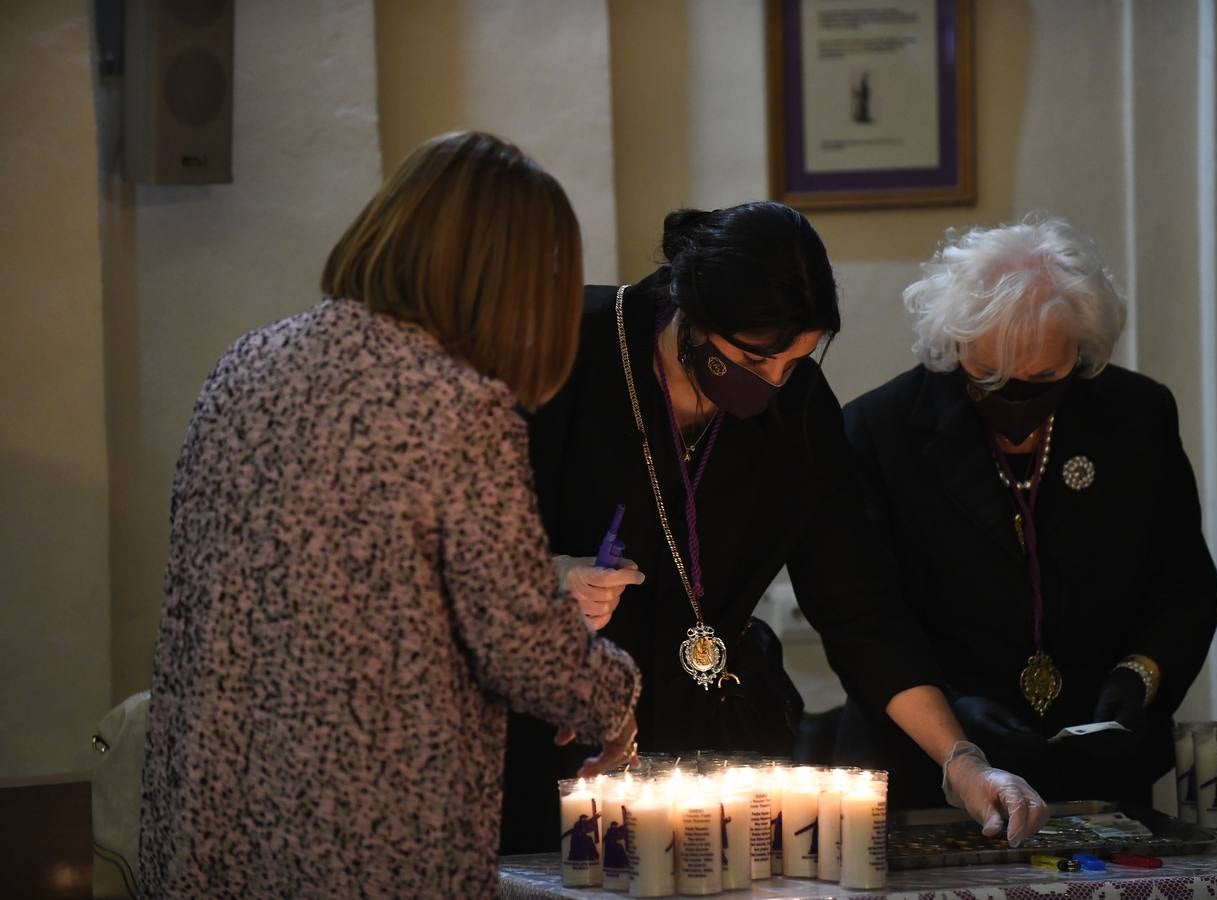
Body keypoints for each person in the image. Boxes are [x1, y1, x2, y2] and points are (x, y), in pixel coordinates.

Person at [138, 132, 641, 899]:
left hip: (217, 805)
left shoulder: (246, 363)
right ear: (510, 280)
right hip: (366, 825)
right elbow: (521, 644)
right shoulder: (456, 405)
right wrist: (615, 698)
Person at [501, 201, 1048, 853]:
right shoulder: (569, 348)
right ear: (692, 310)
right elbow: (458, 545)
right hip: (556, 727)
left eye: (794, 362)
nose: (774, 383)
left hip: (718, 733)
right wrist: (546, 578)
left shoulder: (800, 413)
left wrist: (962, 761)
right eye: (756, 359)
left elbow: (860, 611)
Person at [839, 216, 1217, 806]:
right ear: (955, 345)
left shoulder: (1136, 416)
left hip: (1094, 768)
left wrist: (1139, 675)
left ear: (1084, 350)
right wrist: (951, 711)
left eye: (1044, 378)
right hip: (929, 771)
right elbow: (867, 624)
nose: (1017, 399)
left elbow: (1184, 589)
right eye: (989, 378)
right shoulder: (879, 431)